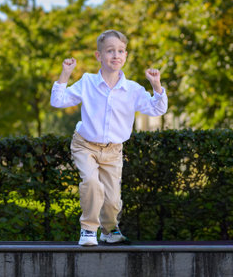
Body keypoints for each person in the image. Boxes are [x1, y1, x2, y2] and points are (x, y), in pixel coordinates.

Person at [50, 30, 168, 246]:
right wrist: (66, 73)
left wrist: (156, 85)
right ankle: (88, 230)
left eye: (121, 51)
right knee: (92, 183)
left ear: (126, 55)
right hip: (85, 145)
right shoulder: (87, 82)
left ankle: (109, 230)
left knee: (113, 201)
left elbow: (157, 109)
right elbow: (58, 101)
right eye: (110, 51)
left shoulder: (132, 89)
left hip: (113, 150)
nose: (116, 55)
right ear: (98, 56)